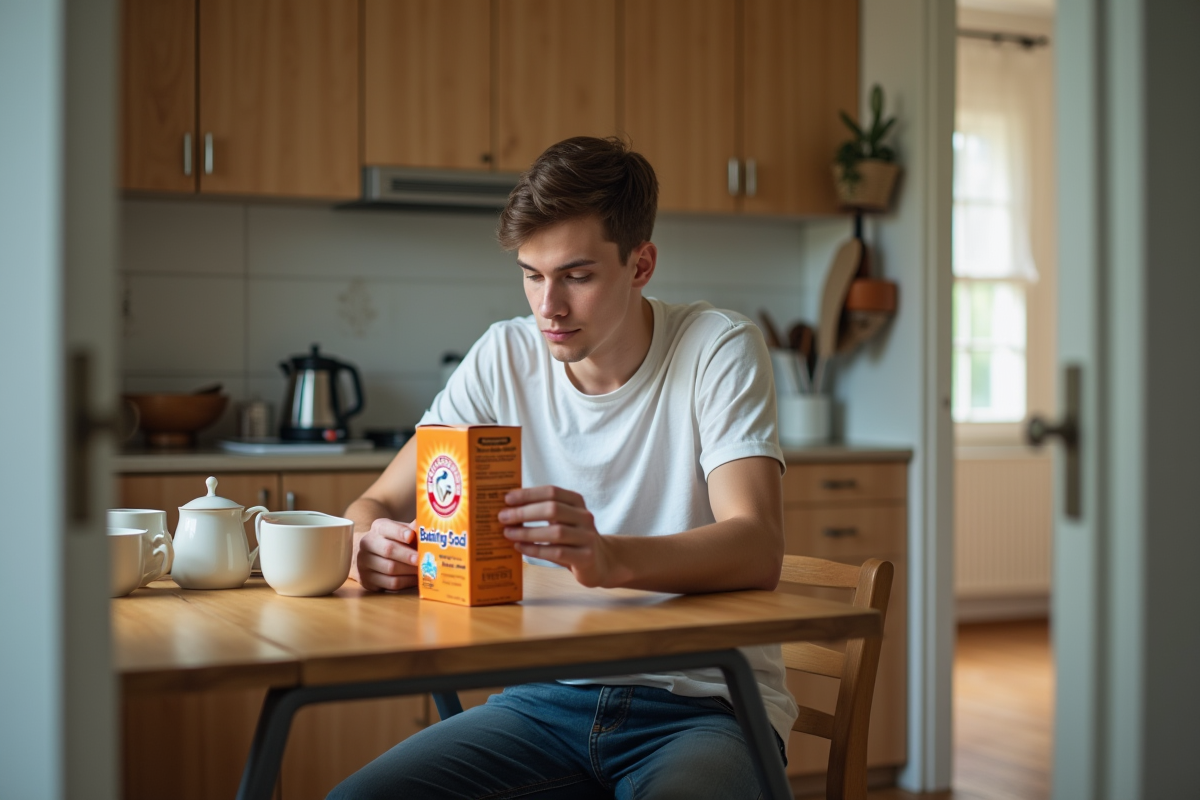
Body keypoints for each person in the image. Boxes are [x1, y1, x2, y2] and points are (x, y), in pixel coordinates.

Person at [331, 136, 796, 800]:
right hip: (539, 701)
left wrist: (609, 558)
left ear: (641, 265)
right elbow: (373, 503)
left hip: (704, 706)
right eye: (530, 273)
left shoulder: (716, 347)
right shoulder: (504, 356)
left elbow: (758, 545)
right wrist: (363, 548)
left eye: (576, 275)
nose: (547, 306)